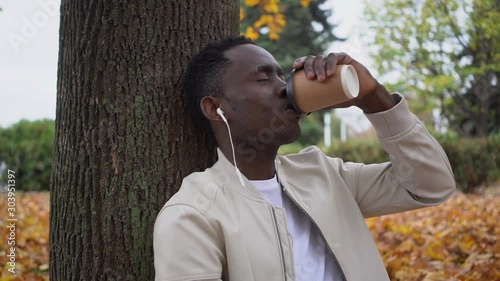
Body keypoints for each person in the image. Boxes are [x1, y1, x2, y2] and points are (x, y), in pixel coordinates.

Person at [153, 36, 455, 281]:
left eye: (282, 76)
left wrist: (374, 98)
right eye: (262, 79)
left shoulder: (325, 175)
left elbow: (430, 186)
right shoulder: (194, 215)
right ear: (215, 108)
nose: (284, 88)